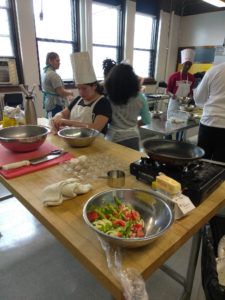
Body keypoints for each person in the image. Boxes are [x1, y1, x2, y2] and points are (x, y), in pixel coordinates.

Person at [52, 52, 112, 134]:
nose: (80, 92)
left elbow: (96, 128)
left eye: (84, 88)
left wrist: (68, 122)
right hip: (75, 140)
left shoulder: (103, 103)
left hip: (96, 143)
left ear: (94, 86)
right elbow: (63, 113)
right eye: (78, 88)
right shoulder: (77, 100)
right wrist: (58, 116)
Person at [104, 63, 150, 150]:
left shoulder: (109, 98)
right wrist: (131, 126)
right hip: (133, 138)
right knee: (131, 162)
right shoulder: (140, 97)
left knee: (112, 162)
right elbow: (146, 120)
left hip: (113, 138)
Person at [194, 62, 225, 162]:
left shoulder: (214, 71)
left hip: (209, 123)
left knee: (201, 162)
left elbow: (199, 99)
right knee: (221, 166)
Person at [166, 48, 195, 140]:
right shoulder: (174, 76)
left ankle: (179, 140)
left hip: (184, 104)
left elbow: (190, 91)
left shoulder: (191, 77)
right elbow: (168, 91)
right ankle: (168, 140)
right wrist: (172, 95)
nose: (187, 66)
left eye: (189, 64)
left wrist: (191, 96)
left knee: (182, 124)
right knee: (170, 124)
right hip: (174, 103)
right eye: (186, 64)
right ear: (182, 64)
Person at [42, 52, 73, 117]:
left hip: (48, 102)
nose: (59, 63)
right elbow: (61, 92)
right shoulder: (53, 75)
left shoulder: (44, 73)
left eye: (59, 61)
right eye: (57, 61)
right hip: (55, 104)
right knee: (57, 123)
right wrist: (70, 92)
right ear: (50, 61)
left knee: (51, 121)